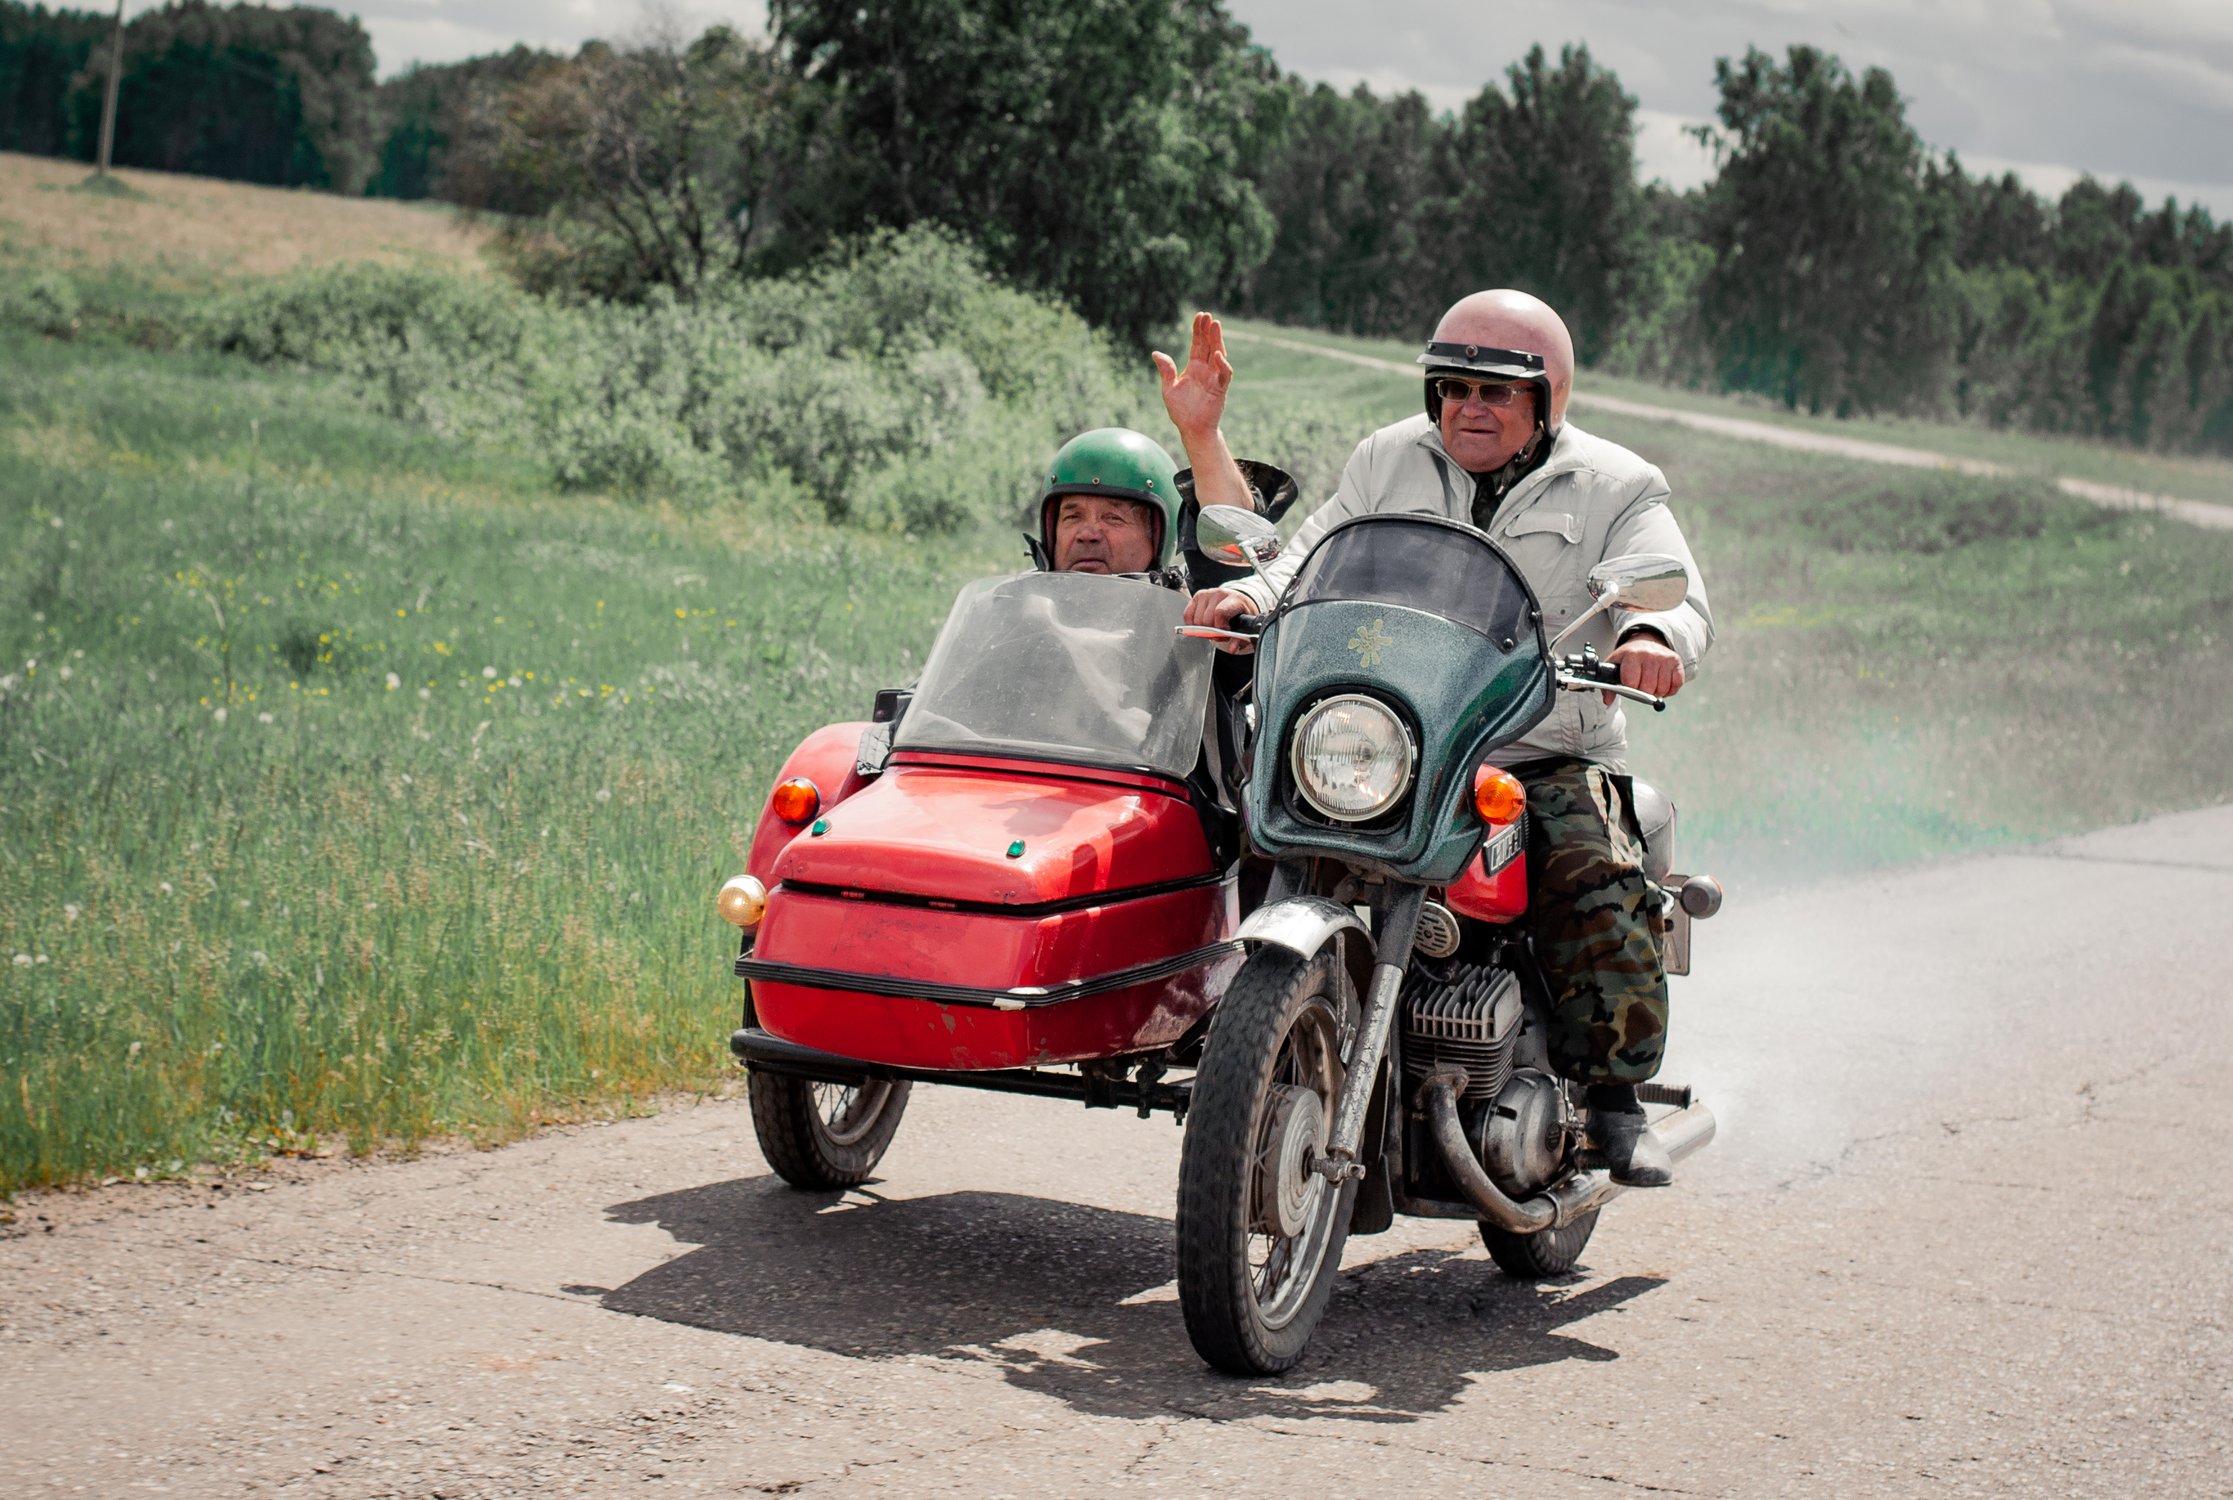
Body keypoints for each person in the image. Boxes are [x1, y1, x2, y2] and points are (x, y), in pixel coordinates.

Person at [1181, 290, 1713, 1187]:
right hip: (1397, 738)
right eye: (1454, 386)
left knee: (1589, 866)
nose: (1471, 406)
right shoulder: (1388, 458)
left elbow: (1680, 591)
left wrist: (1652, 639)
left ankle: (1615, 1103)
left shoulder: (1617, 485)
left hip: (1539, 742)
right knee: (1250, 807)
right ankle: (1241, 1025)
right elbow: (1310, 553)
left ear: (1545, 403)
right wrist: (1250, 599)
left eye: (1497, 393)